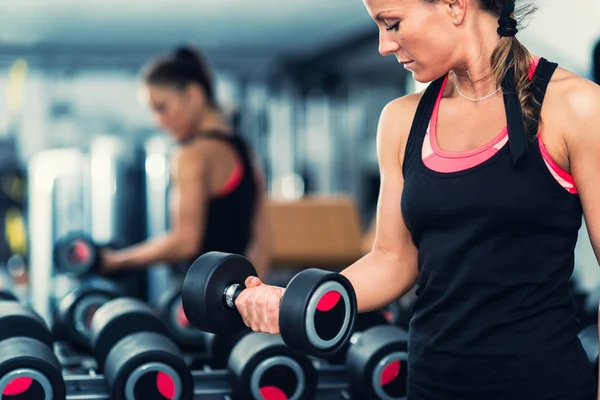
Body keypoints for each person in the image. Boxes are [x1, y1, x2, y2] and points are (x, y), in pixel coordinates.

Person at [233, 0, 600, 399]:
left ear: (454, 6)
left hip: (541, 384)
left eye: (391, 24)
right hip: (430, 380)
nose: (383, 45)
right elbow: (392, 260)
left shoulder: (576, 107)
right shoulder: (403, 120)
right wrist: (300, 301)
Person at [101, 45, 271, 280]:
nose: (158, 121)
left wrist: (117, 261)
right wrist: (253, 293)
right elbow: (262, 236)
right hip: (239, 295)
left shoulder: (192, 155)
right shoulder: (244, 149)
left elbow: (185, 242)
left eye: (162, 108)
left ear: (194, 95)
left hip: (203, 297)